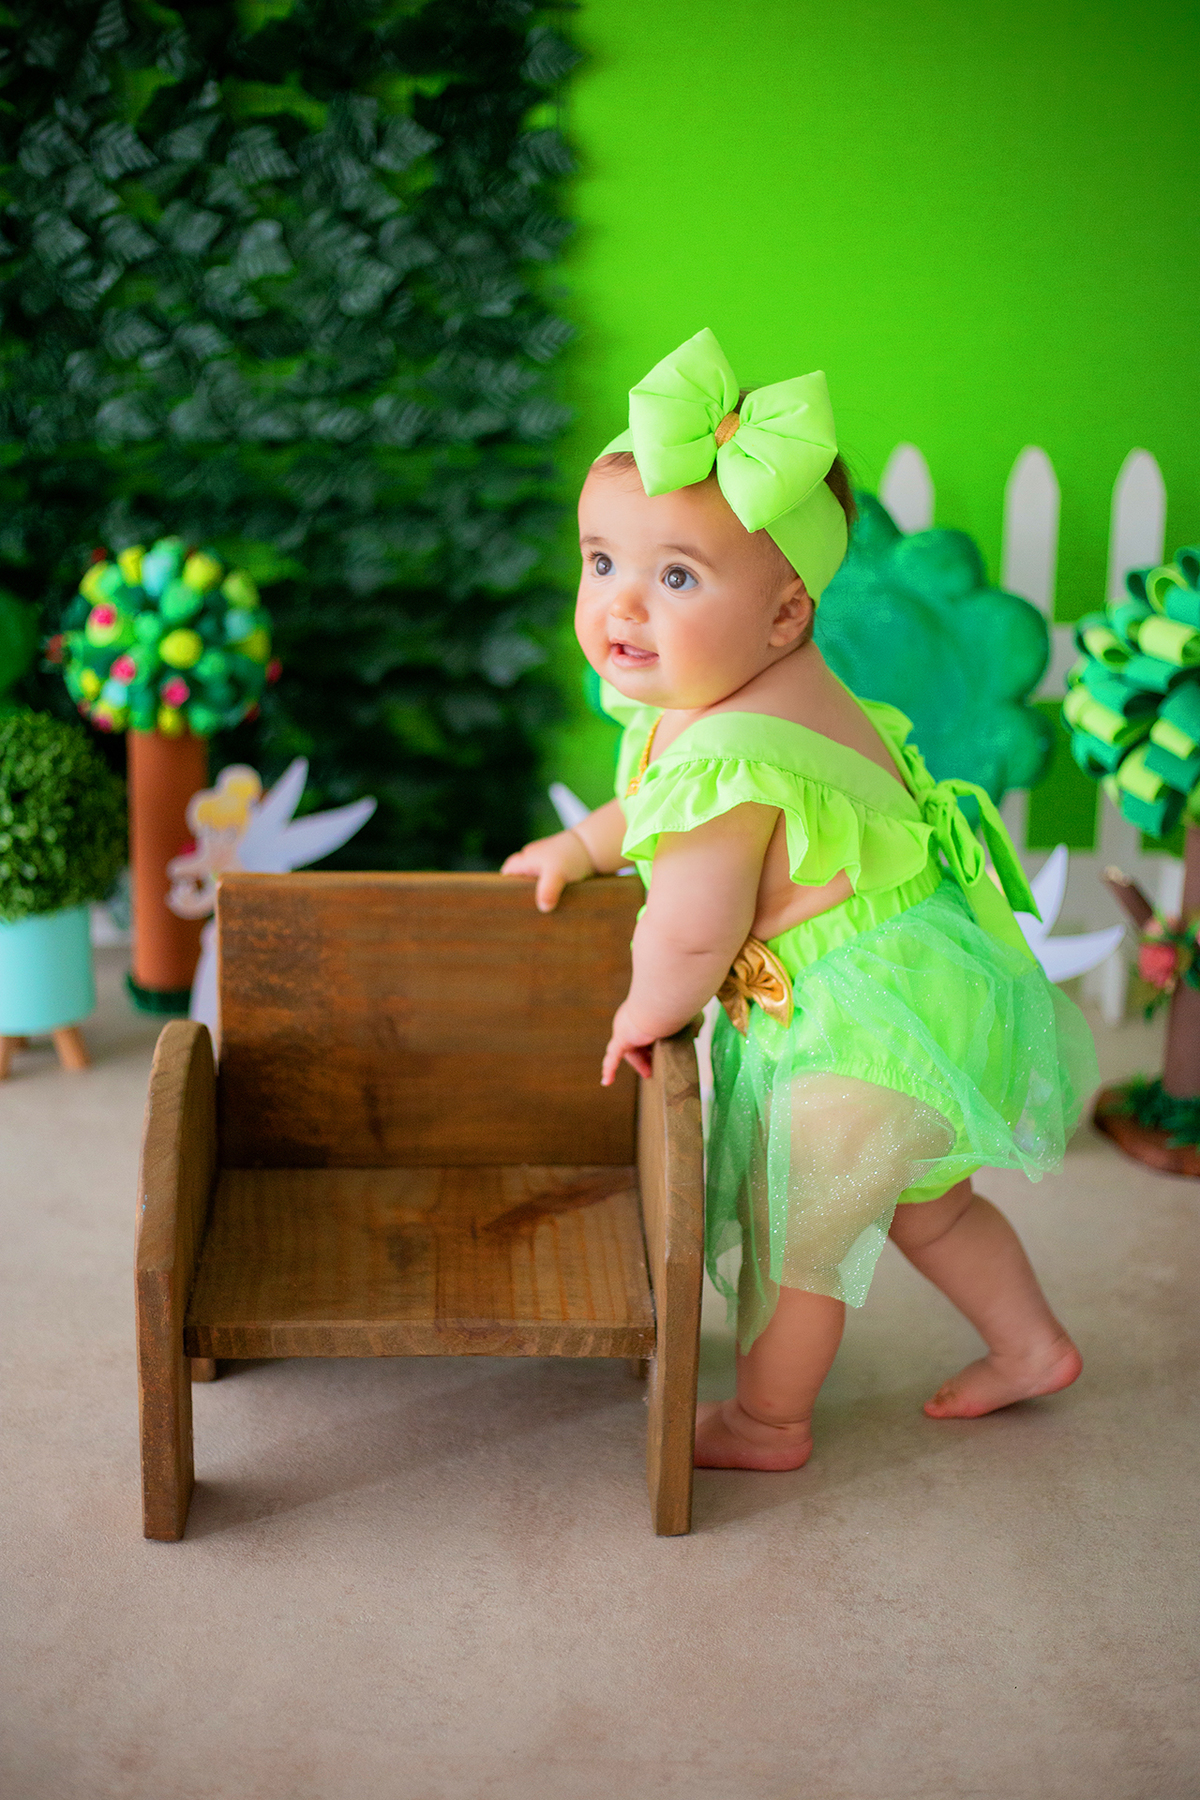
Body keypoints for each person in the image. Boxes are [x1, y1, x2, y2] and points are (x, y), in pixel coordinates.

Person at [502, 328, 1098, 1471]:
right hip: (926, 986)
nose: (622, 606)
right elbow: (668, 798)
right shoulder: (769, 693)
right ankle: (1031, 1346)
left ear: (783, 613)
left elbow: (691, 926)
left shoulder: (725, 755)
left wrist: (643, 1016)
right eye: (601, 563)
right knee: (932, 1205)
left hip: (852, 1034)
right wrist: (587, 841)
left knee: (799, 1237)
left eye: (675, 576)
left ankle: (770, 1420)